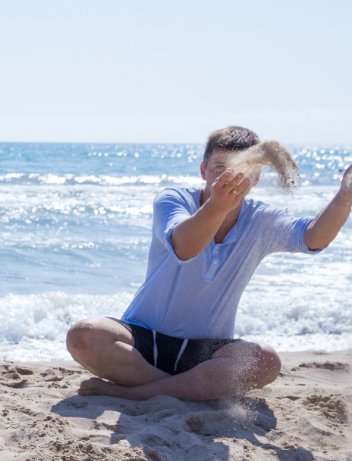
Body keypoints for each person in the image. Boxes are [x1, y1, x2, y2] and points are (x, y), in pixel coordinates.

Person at [66, 126, 352, 401]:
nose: (229, 177)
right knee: (83, 336)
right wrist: (217, 207)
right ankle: (180, 389)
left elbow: (314, 238)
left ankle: (136, 393)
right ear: (203, 170)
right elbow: (184, 247)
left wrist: (345, 196)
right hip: (144, 341)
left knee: (267, 362)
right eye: (219, 167)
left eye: (242, 170)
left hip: (205, 353)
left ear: (256, 178)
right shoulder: (173, 199)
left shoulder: (262, 220)